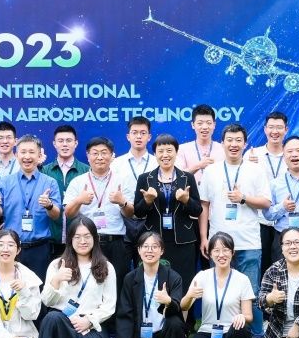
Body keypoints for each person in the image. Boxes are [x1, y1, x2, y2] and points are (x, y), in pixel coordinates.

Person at [198, 123, 271, 338]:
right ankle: (218, 332)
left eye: (238, 140)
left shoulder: (256, 170)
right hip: (218, 243)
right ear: (222, 143)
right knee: (219, 291)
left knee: (252, 292)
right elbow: (204, 206)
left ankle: (257, 337)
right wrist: (204, 238)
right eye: (229, 140)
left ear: (245, 143)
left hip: (248, 241)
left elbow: (266, 202)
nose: (234, 144)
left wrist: (243, 198)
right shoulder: (211, 171)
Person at [35, 217, 117, 338]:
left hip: (91, 325)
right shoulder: (57, 265)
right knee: (52, 318)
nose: (82, 241)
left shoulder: (106, 267)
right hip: (63, 323)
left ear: (95, 238)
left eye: (87, 236)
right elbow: (47, 301)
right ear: (70, 239)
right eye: (77, 237)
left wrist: (89, 320)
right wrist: (56, 280)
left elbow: (109, 306)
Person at [179, 232, 254, 338]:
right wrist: (189, 295)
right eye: (216, 250)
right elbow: (184, 306)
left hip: (230, 333)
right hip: (207, 332)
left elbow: (248, 315)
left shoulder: (242, 279)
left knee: (242, 329)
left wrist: (242, 316)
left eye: (225, 250)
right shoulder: (202, 276)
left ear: (232, 252)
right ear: (210, 253)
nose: (221, 255)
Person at [63, 136, 135, 297]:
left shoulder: (123, 180)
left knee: (117, 287)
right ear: (88, 156)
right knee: (89, 286)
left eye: (104, 153)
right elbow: (68, 213)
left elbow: (131, 213)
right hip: (87, 243)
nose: (100, 157)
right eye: (95, 153)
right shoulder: (78, 182)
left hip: (115, 242)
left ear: (112, 155)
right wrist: (79, 200)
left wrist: (122, 202)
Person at [115, 231, 186, 338]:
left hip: (164, 334)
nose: (150, 250)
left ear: (162, 251)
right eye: (145, 246)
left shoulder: (173, 277)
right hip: (142, 335)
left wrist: (168, 301)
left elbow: (178, 308)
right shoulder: (130, 278)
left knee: (174, 323)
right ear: (139, 250)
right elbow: (125, 315)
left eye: (154, 247)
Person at [133, 134, 203, 289]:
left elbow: (197, 210)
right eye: (161, 151)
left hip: (183, 241)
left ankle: (183, 306)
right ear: (155, 154)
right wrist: (147, 201)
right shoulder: (145, 178)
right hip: (154, 241)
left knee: (184, 283)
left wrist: (186, 200)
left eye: (169, 150)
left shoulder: (187, 178)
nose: (165, 155)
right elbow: (138, 212)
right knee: (156, 284)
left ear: (176, 152)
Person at [0, 135, 62, 279]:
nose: (27, 156)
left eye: (31, 152)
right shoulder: (5, 183)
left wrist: (49, 205)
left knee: (39, 288)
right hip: (12, 249)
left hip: (40, 248)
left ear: (39, 156)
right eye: (23, 152)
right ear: (17, 155)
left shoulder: (50, 183)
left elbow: (56, 215)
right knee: (11, 288)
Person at [109, 115, 154, 262]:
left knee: (146, 268)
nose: (139, 136)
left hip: (149, 220)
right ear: (128, 136)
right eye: (135, 133)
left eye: (143, 133)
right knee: (122, 269)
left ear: (149, 137)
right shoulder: (116, 164)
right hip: (123, 221)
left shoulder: (157, 163)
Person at [41, 124, 88, 258]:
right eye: (60, 141)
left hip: (79, 238)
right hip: (50, 238)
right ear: (54, 144)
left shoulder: (86, 171)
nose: (65, 144)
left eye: (69, 140)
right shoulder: (44, 171)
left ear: (76, 143)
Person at [249, 111, 288, 271]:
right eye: (271, 127)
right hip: (260, 221)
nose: (275, 131)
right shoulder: (252, 155)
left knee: (284, 265)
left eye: (279, 127)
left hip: (285, 220)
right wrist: (249, 166)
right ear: (265, 129)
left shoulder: (292, 153)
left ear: (286, 129)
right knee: (261, 265)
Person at [177, 103, 224, 183]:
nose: (205, 127)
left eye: (209, 123)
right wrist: (198, 166)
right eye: (200, 123)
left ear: (214, 125)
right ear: (193, 125)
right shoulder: (182, 149)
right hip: (191, 191)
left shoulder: (223, 149)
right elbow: (177, 178)